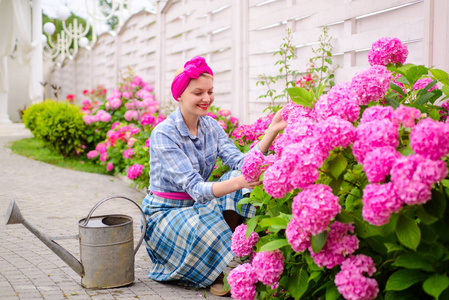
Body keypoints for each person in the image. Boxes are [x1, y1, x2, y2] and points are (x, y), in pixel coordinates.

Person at [141, 56, 286, 295]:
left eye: (210, 91)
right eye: (198, 93)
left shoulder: (211, 127)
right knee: (212, 217)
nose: (206, 98)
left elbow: (241, 162)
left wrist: (272, 131)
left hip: (199, 208)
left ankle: (227, 259)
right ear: (180, 95)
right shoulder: (164, 134)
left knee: (239, 177)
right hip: (166, 214)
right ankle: (216, 271)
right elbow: (196, 190)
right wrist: (239, 180)